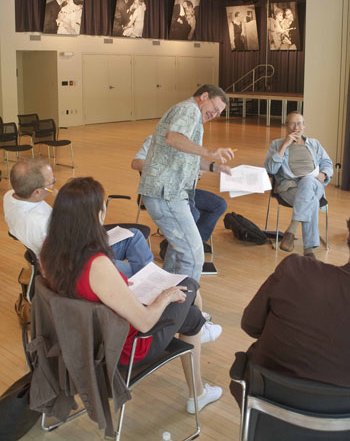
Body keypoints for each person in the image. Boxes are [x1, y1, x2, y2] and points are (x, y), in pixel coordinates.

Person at [41, 177, 223, 414]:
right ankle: (197, 391)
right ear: (97, 216)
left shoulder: (49, 248)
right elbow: (145, 322)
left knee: (191, 315)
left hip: (82, 339)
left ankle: (199, 355)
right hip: (123, 348)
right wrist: (165, 297)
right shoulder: (96, 265)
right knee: (189, 289)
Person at [230, 223, 350, 406]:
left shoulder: (295, 269)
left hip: (263, 404)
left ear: (348, 237)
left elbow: (250, 325)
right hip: (336, 424)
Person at [138, 84, 234, 283]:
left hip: (171, 193)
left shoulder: (192, 115)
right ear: (204, 96)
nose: (215, 115)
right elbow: (173, 138)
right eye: (214, 109)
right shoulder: (189, 109)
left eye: (218, 113)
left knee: (178, 252)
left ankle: (169, 303)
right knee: (193, 254)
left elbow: (187, 154)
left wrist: (215, 167)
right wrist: (208, 151)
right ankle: (186, 308)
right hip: (167, 194)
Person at [3, 159, 153, 277]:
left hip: (71, 247)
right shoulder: (41, 224)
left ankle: (147, 282)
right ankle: (146, 288)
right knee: (139, 269)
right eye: (51, 182)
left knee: (134, 235)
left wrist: (64, 197)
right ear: (36, 192)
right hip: (77, 264)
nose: (54, 182)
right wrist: (96, 220)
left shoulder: (11, 195)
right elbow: (75, 250)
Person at [132, 135, 227, 254]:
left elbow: (197, 162)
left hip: (183, 191)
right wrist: (172, 171)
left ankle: (196, 242)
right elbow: (136, 163)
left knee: (219, 205)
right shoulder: (154, 139)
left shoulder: (188, 141)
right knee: (193, 213)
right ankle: (170, 245)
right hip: (161, 193)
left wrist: (210, 168)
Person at [264, 112, 333, 257]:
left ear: (304, 126)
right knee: (312, 201)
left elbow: (327, 163)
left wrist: (324, 174)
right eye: (293, 123)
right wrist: (284, 145)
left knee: (308, 180)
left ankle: (292, 229)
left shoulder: (314, 144)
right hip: (290, 187)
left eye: (300, 123)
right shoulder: (277, 144)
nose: (297, 127)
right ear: (286, 126)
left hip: (314, 184)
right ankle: (309, 250)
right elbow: (271, 169)